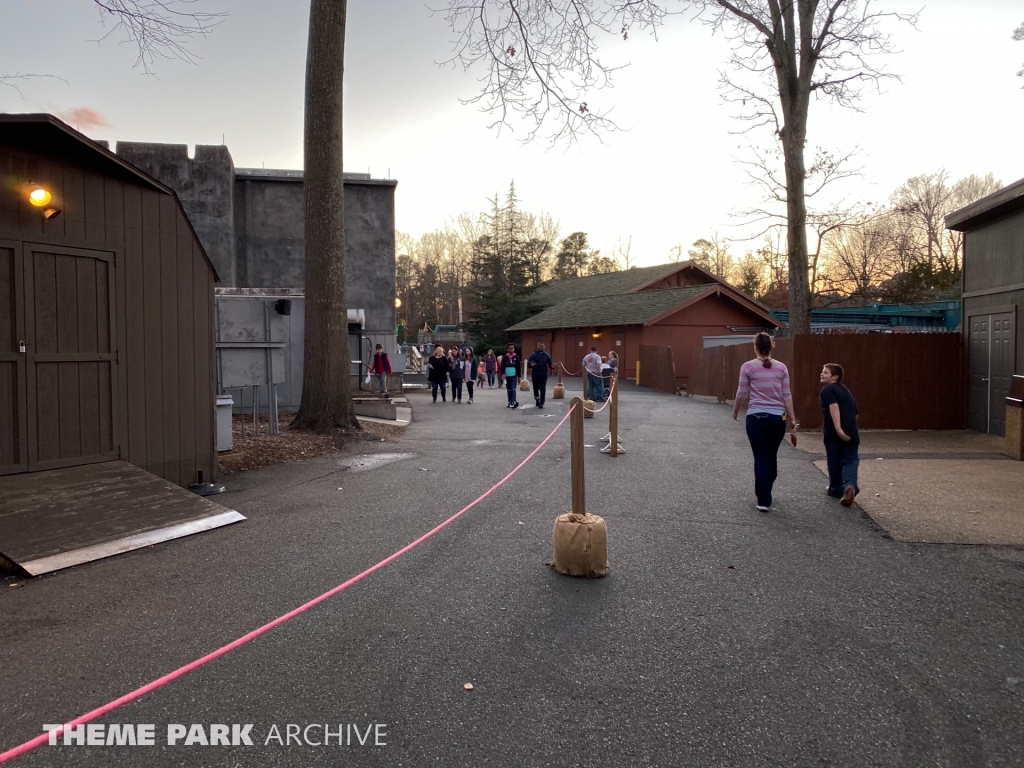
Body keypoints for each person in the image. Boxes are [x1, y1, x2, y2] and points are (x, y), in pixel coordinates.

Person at [732, 332, 799, 513]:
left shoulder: (747, 367)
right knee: (771, 456)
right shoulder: (782, 368)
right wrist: (792, 418)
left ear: (755, 347)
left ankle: (763, 498)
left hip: (756, 418)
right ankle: (765, 490)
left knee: (761, 457)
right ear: (771, 346)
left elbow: (742, 392)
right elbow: (787, 395)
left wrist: (736, 410)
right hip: (777, 419)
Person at [820, 363, 860, 507]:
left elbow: (834, 407)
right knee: (850, 460)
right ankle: (850, 485)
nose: (821, 374)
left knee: (834, 461)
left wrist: (838, 429)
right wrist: (850, 428)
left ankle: (836, 489)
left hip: (833, 433)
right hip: (851, 431)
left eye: (825, 372)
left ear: (835, 377)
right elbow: (855, 412)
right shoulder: (845, 390)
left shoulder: (827, 390)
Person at [527, 342, 554, 408]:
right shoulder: (533, 355)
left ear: (544, 347)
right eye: (540, 346)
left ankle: (542, 402)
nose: (541, 347)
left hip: (544, 374)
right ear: (538, 346)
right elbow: (529, 364)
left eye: (542, 346)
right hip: (535, 374)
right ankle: (537, 399)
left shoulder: (547, 355)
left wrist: (553, 366)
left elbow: (551, 364)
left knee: (542, 388)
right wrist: (531, 365)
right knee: (535, 388)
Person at [502, 343, 521, 408]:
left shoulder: (516, 357)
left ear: (514, 349)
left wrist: (519, 376)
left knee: (513, 388)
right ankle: (510, 401)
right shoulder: (505, 357)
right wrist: (503, 374)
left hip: (514, 375)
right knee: (509, 389)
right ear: (508, 349)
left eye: (512, 348)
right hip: (507, 375)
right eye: (510, 348)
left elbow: (518, 367)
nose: (511, 349)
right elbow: (503, 366)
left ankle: (514, 401)